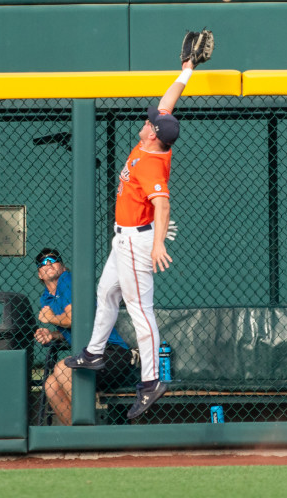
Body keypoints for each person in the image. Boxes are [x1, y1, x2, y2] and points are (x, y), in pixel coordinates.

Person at [64, 30, 212, 421]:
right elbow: (168, 103)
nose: (148, 121)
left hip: (137, 244)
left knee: (140, 311)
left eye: (150, 124)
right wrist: (187, 71)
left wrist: (160, 244)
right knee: (105, 293)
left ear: (154, 137)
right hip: (122, 241)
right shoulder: (155, 142)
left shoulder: (151, 164)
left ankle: (150, 382)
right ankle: (95, 351)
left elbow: (162, 204)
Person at [33, 247, 137, 425]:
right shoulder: (47, 299)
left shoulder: (67, 280)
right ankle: (78, 436)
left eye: (53, 259)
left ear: (63, 267)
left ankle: (89, 430)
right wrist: (53, 335)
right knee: (51, 385)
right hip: (87, 358)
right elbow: (75, 329)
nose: (48, 263)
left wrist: (50, 318)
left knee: (62, 368)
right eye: (43, 262)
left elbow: (74, 319)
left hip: (114, 354)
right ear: (40, 275)